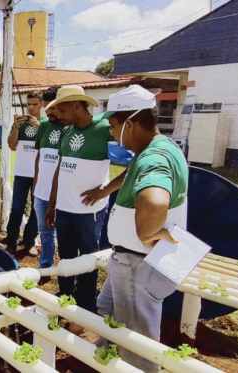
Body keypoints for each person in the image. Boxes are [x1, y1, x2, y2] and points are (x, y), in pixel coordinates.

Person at [94, 85, 189, 372]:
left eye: (113, 126)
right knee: (108, 310)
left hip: (138, 263)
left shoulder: (153, 158)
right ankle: (104, 362)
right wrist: (106, 189)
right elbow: (135, 170)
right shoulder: (160, 146)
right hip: (131, 261)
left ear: (131, 124)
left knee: (137, 343)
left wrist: (147, 234)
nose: (111, 133)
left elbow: (155, 200)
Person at [43, 86, 126, 314]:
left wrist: (106, 190)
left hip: (89, 212)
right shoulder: (67, 132)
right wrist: (52, 205)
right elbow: (60, 170)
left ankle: (87, 305)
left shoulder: (103, 130)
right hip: (64, 210)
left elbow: (135, 164)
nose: (58, 115)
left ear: (78, 104)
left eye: (62, 109)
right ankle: (66, 298)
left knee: (89, 260)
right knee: (67, 258)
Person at [31, 86, 66, 268]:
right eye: (46, 108)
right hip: (42, 191)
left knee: (66, 234)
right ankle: (45, 265)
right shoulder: (44, 124)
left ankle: (70, 270)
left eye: (52, 108)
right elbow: (39, 155)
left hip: (63, 193)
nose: (49, 112)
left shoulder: (70, 127)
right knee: (45, 231)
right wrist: (36, 183)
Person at [5, 90, 42, 255]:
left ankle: (29, 241)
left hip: (40, 174)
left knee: (36, 209)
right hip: (21, 172)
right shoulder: (20, 124)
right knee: (17, 208)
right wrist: (16, 127)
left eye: (35, 104)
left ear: (42, 104)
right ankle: (11, 242)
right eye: (29, 104)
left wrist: (40, 128)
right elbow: (11, 145)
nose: (31, 108)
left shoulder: (47, 124)